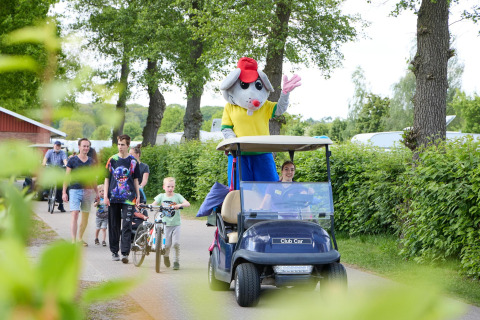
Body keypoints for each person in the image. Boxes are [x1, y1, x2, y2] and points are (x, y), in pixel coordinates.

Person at [104, 134, 141, 264]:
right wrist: (105, 196)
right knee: (114, 225)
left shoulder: (133, 161)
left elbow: (136, 180)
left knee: (126, 225)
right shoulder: (112, 160)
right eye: (119, 144)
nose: (120, 147)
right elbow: (107, 179)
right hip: (113, 197)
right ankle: (114, 251)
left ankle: (125, 253)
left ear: (128, 146)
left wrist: (138, 195)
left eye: (123, 144)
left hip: (129, 198)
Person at [62, 138, 100, 245]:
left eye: (87, 146)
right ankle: (73, 241)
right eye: (84, 146)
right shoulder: (72, 160)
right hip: (74, 190)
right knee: (75, 214)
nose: (86, 148)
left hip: (88, 191)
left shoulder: (91, 162)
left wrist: (97, 193)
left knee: (85, 216)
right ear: (79, 147)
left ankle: (80, 238)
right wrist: (64, 192)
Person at [150, 177, 190, 270]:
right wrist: (150, 206)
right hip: (165, 225)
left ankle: (176, 262)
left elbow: (187, 203)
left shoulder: (177, 196)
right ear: (164, 187)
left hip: (176, 224)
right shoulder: (161, 196)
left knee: (176, 244)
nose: (170, 188)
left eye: (172, 186)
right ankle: (166, 256)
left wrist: (180, 205)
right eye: (168, 186)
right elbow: (154, 204)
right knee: (167, 245)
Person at [42, 140, 68, 212]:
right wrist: (44, 163)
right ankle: (46, 192)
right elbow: (45, 159)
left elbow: (65, 160)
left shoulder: (62, 153)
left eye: (59, 146)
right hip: (50, 169)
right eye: (56, 145)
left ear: (60, 147)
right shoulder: (49, 152)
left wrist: (66, 165)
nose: (57, 147)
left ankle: (60, 205)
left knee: (60, 186)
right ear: (54, 146)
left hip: (59, 170)